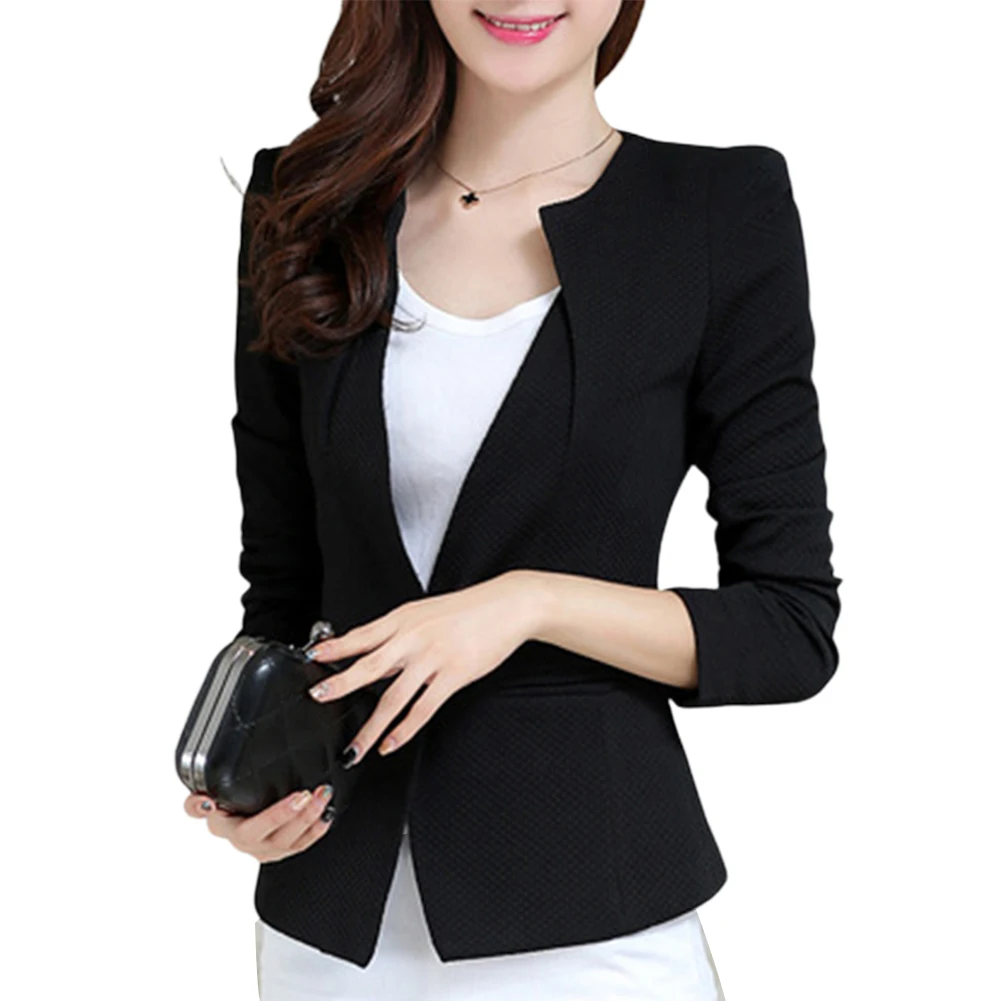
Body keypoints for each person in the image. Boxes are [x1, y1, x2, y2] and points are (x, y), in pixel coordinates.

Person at [182, 2, 841, 998]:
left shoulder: (716, 211)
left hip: (592, 922)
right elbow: (281, 587)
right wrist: (256, 775)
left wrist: (528, 602)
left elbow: (788, 626)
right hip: (332, 926)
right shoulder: (305, 200)